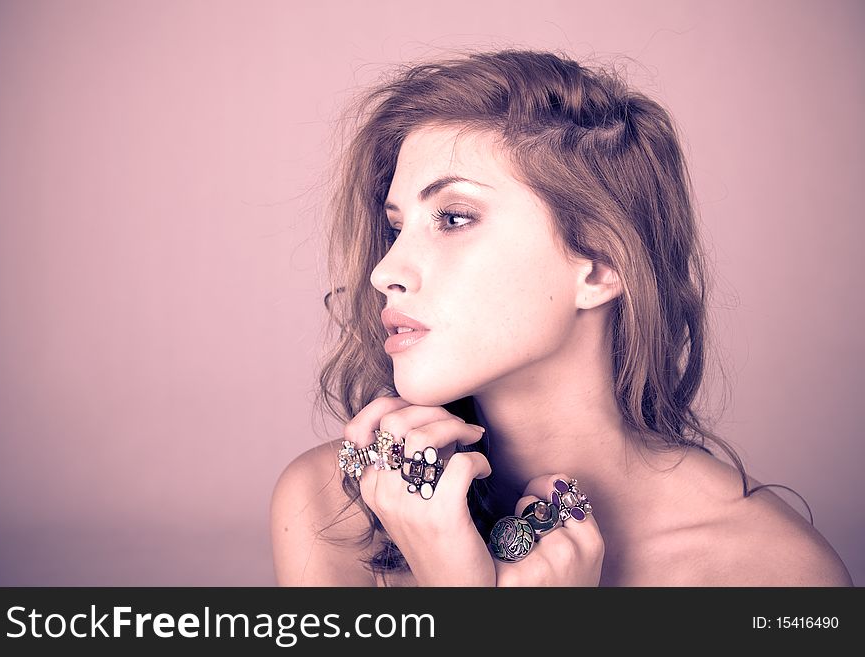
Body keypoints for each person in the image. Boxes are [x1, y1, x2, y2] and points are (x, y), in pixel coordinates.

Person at [270, 49, 852, 586]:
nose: (384, 271)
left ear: (599, 266)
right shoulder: (333, 509)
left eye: (453, 218)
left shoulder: (772, 571)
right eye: (398, 227)